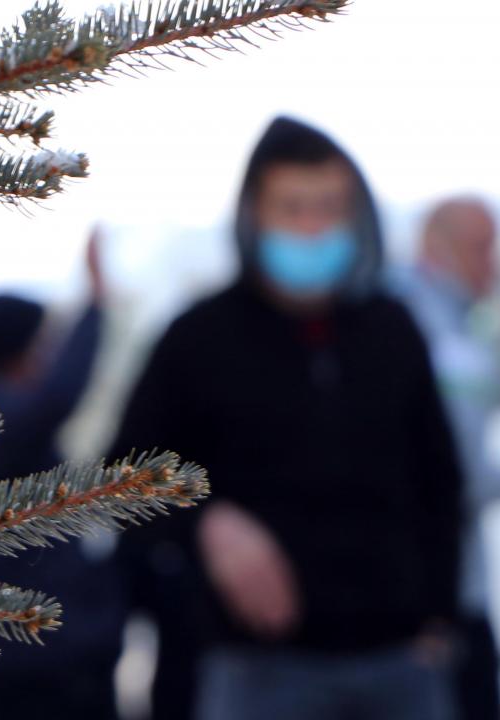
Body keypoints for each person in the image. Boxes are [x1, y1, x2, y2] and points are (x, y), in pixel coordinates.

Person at [110, 116, 465, 720]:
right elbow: (121, 482)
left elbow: (442, 479)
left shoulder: (394, 330)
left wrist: (438, 618)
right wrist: (208, 524)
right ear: (255, 216)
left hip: (398, 667)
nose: (312, 227)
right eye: (293, 208)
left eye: (329, 207)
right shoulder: (198, 337)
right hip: (257, 673)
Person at [0, 233, 126, 720]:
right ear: (22, 350)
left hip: (28, 655)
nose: (49, 359)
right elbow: (61, 393)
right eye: (44, 345)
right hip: (29, 666)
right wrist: (96, 300)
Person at [396, 197, 500, 720]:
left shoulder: (448, 326)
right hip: (438, 601)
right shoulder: (431, 334)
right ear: (438, 248)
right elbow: (453, 471)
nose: (494, 264)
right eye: (482, 247)